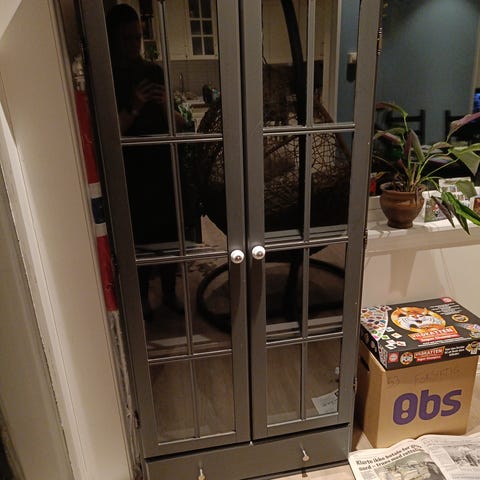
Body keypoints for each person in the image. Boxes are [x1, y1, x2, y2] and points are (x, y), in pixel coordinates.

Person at [106, 4, 184, 318]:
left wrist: (165, 105)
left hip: (162, 164)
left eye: (137, 37)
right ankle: (141, 304)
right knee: (138, 239)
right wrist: (135, 106)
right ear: (113, 39)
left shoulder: (153, 72)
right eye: (126, 38)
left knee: (169, 235)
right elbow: (109, 134)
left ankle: (169, 293)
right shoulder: (107, 77)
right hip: (131, 170)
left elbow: (176, 125)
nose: (134, 44)